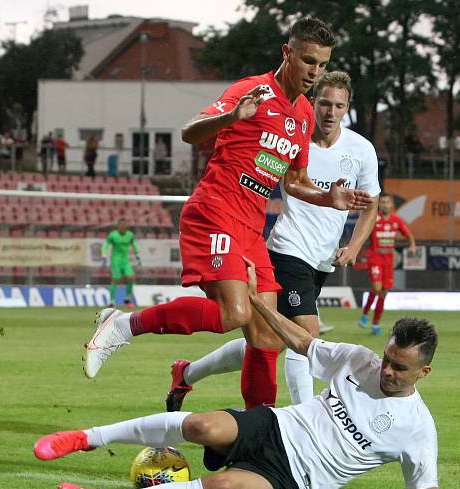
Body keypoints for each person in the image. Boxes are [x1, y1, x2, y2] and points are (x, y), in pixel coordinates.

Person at [33, 259, 460, 489]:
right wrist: (257, 301)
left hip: (294, 477)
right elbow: (300, 340)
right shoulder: (360, 359)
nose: (388, 371)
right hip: (276, 427)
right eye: (390, 360)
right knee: (200, 427)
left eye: (400, 368)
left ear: (424, 373)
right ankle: (84, 437)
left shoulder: (419, 428)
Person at [84, 18, 373, 411]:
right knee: (234, 313)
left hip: (252, 228)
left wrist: (329, 198)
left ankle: (257, 439)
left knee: (268, 336)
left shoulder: (303, 114)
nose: (314, 72)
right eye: (308, 61)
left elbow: (295, 181)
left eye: (321, 65)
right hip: (215, 212)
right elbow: (190, 131)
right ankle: (122, 325)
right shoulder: (251, 91)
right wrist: (231, 118)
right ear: (287, 53)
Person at [165, 71, 380, 411]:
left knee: (267, 339)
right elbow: (279, 174)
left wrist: (353, 246)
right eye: (324, 103)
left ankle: (188, 373)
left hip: (322, 259)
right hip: (288, 248)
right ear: (314, 103)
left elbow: (372, 205)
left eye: (338, 105)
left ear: (347, 108)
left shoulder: (361, 150)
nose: (330, 111)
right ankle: (304, 419)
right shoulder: (293, 134)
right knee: (305, 338)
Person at [358, 193, 416, 335]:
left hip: (388, 260)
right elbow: (361, 231)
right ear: (379, 204)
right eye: (382, 202)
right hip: (375, 258)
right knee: (376, 287)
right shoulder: (374, 218)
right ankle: (365, 314)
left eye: (387, 202)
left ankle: (375, 324)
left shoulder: (396, 220)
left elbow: (408, 235)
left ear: (391, 205)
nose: (384, 204)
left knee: (383, 293)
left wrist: (412, 245)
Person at [102, 217, 140, 307]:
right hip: (115, 260)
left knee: (131, 277)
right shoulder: (113, 235)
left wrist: (137, 254)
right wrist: (104, 255)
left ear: (126, 225)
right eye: (121, 225)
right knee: (116, 280)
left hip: (125, 261)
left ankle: (127, 299)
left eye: (124, 224)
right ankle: (111, 301)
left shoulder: (129, 235)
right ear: (118, 226)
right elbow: (106, 244)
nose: (122, 226)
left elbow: (134, 243)